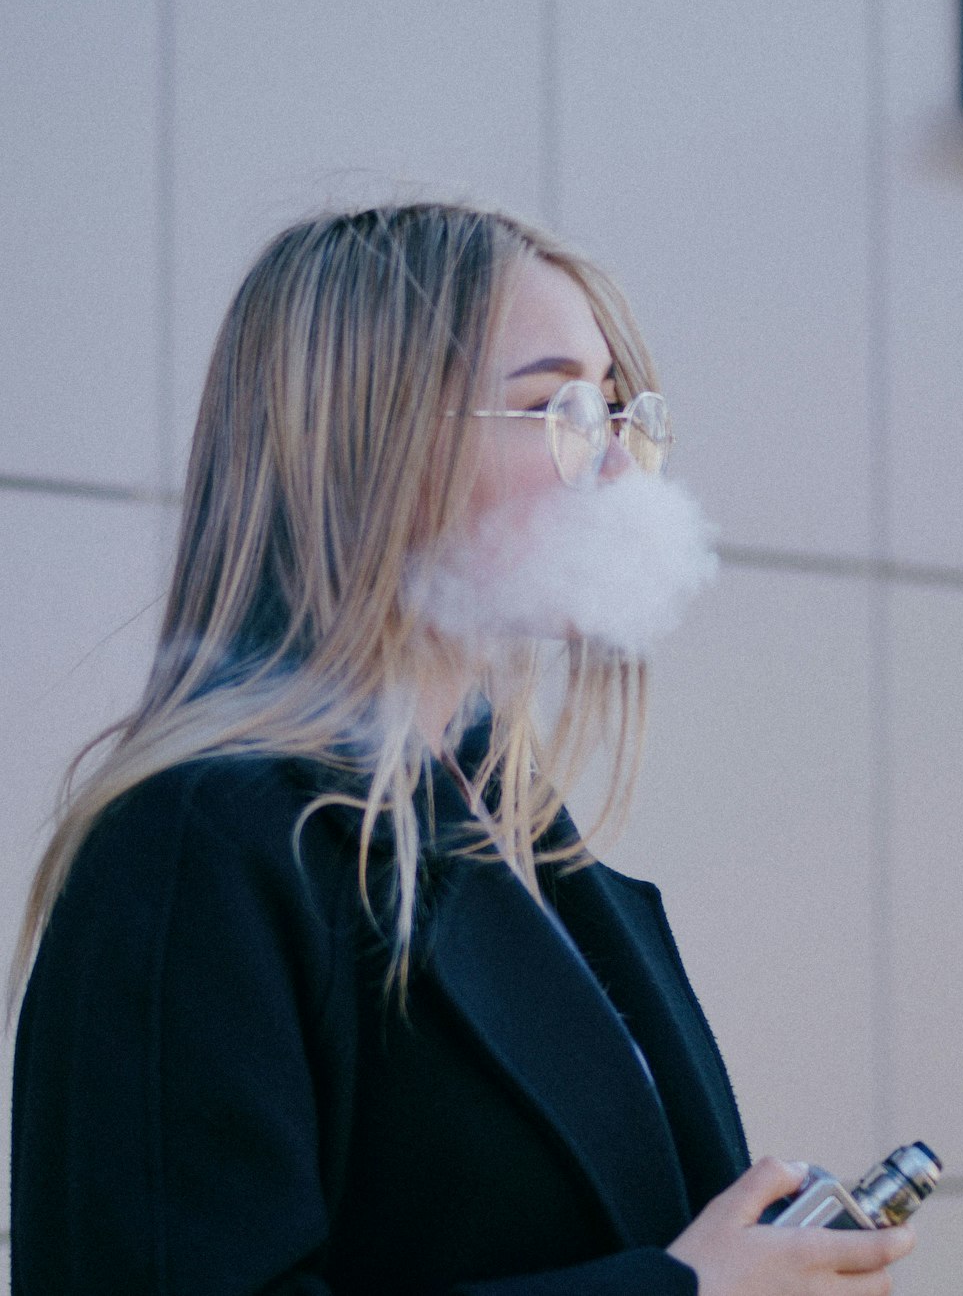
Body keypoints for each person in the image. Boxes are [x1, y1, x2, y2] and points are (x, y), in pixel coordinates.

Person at [9, 204, 915, 1294]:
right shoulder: (197, 845)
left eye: (620, 414)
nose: (619, 468)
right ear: (368, 446)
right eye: (555, 408)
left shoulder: (509, 826)